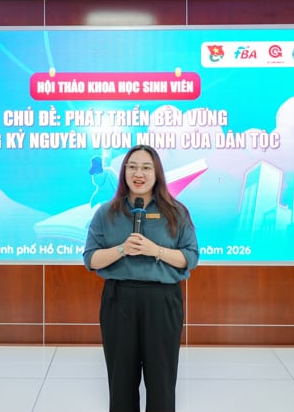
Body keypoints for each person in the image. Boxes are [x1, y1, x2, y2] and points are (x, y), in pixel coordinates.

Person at [83, 144, 199, 412]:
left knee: (161, 381)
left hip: (162, 302)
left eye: (146, 167)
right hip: (119, 300)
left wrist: (155, 250)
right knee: (121, 382)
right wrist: (122, 249)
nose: (139, 173)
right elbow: (91, 259)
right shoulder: (106, 213)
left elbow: (190, 257)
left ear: (156, 173)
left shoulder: (176, 212)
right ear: (124, 172)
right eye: (132, 167)